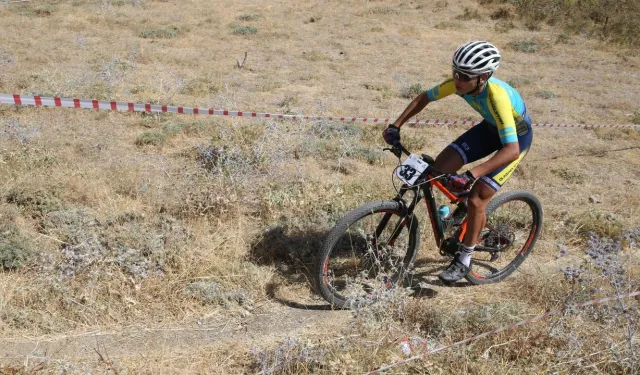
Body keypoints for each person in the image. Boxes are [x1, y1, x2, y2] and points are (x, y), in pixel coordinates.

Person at [382, 40, 533, 283]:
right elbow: (424, 98)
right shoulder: (458, 83)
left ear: (483, 77)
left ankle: (464, 259)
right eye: (454, 71)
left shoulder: (497, 97)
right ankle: (460, 213)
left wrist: (472, 175)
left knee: (477, 198)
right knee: (435, 172)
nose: (456, 79)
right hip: (489, 129)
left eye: (463, 75)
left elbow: (511, 149)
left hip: (515, 142)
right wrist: (395, 125)